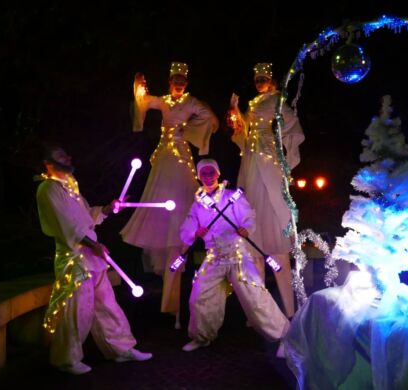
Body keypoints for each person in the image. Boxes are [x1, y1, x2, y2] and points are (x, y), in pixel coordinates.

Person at [36, 144, 152, 375]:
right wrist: (93, 245)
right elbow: (66, 226)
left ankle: (121, 349)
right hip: (73, 261)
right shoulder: (48, 189)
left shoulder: (70, 187)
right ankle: (66, 360)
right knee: (78, 310)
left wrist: (108, 209)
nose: (68, 156)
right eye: (61, 155)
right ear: (48, 164)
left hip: (91, 258)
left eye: (66, 153)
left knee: (107, 305)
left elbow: (86, 217)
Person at [120, 62, 219, 328]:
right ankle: (170, 303)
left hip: (181, 156)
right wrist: (139, 86)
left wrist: (191, 131)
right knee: (164, 211)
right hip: (164, 156)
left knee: (185, 211)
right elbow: (143, 101)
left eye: (182, 80)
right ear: (170, 80)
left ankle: (181, 303)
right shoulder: (163, 101)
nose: (178, 83)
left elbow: (209, 116)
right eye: (175, 79)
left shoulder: (192, 102)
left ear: (186, 83)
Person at [180, 159, 289, 355]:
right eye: (203, 173)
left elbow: (248, 216)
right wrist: (196, 232)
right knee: (199, 297)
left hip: (237, 253)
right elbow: (187, 228)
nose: (208, 176)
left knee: (256, 298)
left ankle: (284, 337)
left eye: (211, 171)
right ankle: (202, 337)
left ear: (218, 173)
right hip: (214, 256)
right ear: (198, 176)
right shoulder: (197, 205)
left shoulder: (233, 196)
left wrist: (246, 228)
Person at [227, 62, 305, 318]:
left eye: (264, 78)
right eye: (257, 78)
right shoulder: (253, 102)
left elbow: (291, 124)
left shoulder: (277, 99)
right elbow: (243, 131)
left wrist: (279, 131)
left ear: (271, 80)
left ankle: (289, 309)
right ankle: (261, 313)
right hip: (250, 157)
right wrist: (236, 114)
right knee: (251, 203)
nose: (260, 82)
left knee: (273, 197)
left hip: (267, 154)